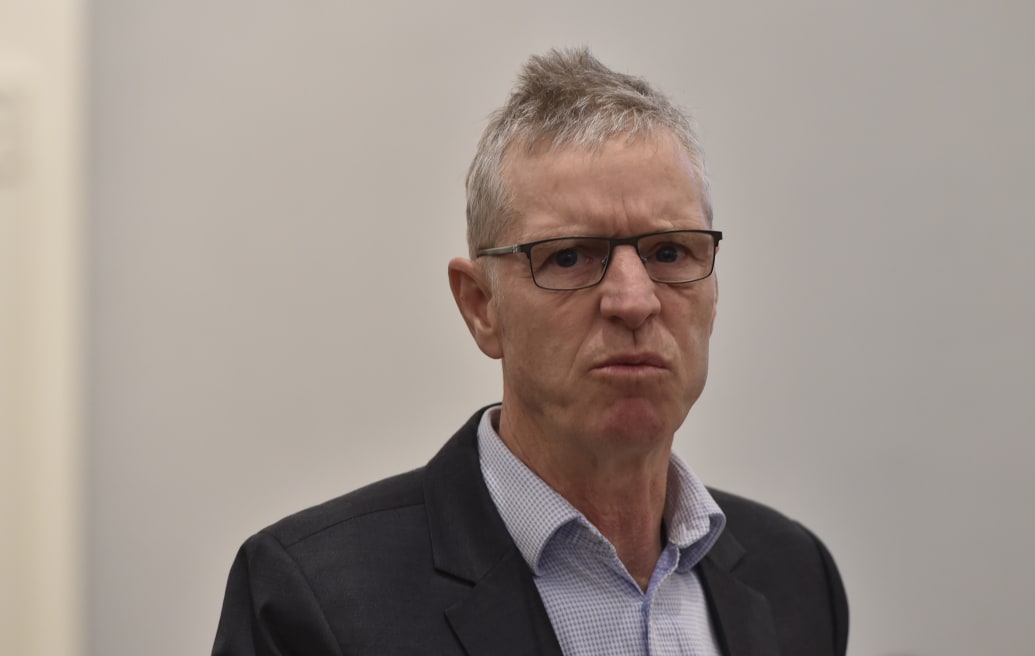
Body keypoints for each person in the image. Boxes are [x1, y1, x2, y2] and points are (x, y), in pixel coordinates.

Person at [212, 47, 848, 656]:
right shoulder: (314, 598)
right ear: (481, 306)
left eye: (669, 253)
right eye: (568, 256)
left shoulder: (795, 576)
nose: (634, 301)